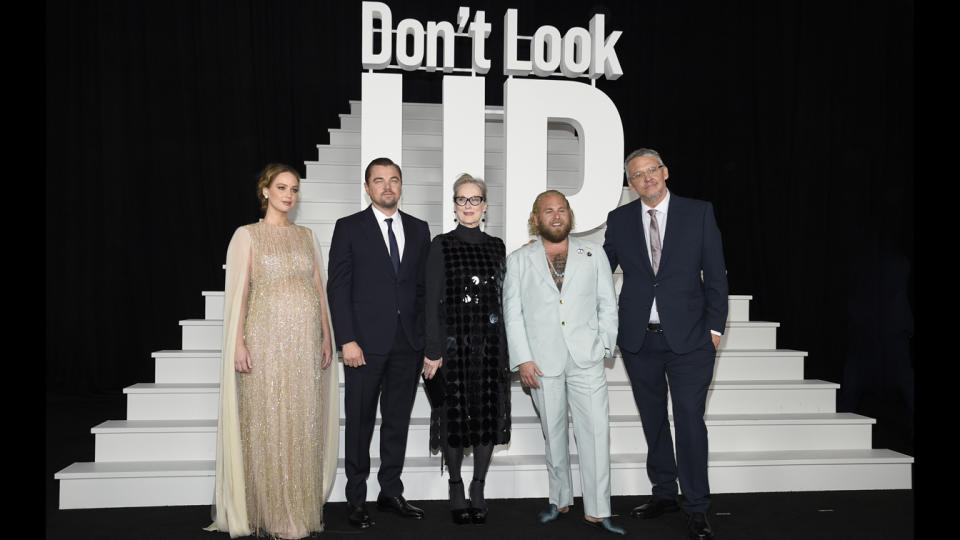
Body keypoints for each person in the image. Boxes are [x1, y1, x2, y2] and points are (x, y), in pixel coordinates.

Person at [207, 163, 339, 539]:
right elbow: (240, 294)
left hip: (304, 344)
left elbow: (319, 288)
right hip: (263, 342)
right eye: (282, 187)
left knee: (301, 424)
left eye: (294, 189)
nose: (289, 195)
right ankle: (268, 511)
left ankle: (294, 509)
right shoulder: (246, 236)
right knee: (266, 423)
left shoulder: (307, 236)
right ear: (265, 190)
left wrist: (327, 337)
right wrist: (237, 343)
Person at [602, 148, 728, 540]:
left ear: (665, 171)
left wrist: (715, 329)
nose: (646, 179)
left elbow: (716, 274)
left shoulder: (698, 212)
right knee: (653, 419)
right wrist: (552, 259)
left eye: (651, 170)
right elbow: (600, 273)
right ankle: (663, 493)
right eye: (637, 175)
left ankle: (696, 505)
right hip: (639, 340)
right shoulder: (619, 219)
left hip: (691, 340)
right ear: (630, 183)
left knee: (689, 419)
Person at [503, 190, 625, 536]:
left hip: (586, 357)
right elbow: (513, 315)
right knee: (552, 433)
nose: (556, 216)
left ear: (569, 215)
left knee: (596, 433)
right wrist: (523, 359)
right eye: (548, 211)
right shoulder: (519, 260)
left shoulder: (594, 254)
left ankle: (599, 509)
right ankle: (560, 500)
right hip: (541, 363)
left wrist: (605, 345)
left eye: (561, 210)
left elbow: (607, 304)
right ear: (536, 218)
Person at [326, 157, 431, 529]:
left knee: (397, 422)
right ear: (367, 187)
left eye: (394, 180)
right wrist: (347, 340)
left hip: (407, 344)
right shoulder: (349, 227)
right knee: (359, 423)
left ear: (401, 186)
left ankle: (390, 492)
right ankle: (356, 498)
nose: (387, 187)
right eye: (379, 181)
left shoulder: (419, 229)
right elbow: (337, 289)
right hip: (363, 346)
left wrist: (426, 342)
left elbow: (423, 289)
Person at [422, 174, 511, 525]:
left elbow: (504, 300)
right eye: (462, 199)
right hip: (452, 348)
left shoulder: (497, 246)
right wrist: (433, 349)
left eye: (475, 199)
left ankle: (478, 487)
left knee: (488, 416)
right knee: (455, 418)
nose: (469, 206)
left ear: (485, 206)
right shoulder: (440, 245)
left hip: (490, 347)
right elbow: (431, 302)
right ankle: (456, 486)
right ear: (454, 205)